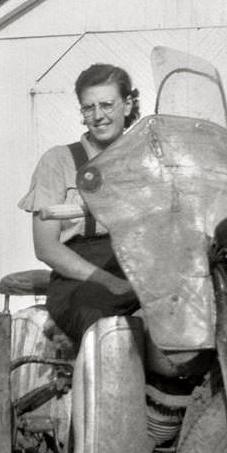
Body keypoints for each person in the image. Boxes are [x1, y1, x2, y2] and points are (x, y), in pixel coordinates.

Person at [18, 63, 141, 343]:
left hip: (137, 269)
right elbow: (46, 248)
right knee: (102, 324)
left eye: (107, 104)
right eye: (89, 108)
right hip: (79, 280)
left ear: (127, 104)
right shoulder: (58, 161)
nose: (99, 116)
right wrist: (109, 281)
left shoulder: (145, 161)